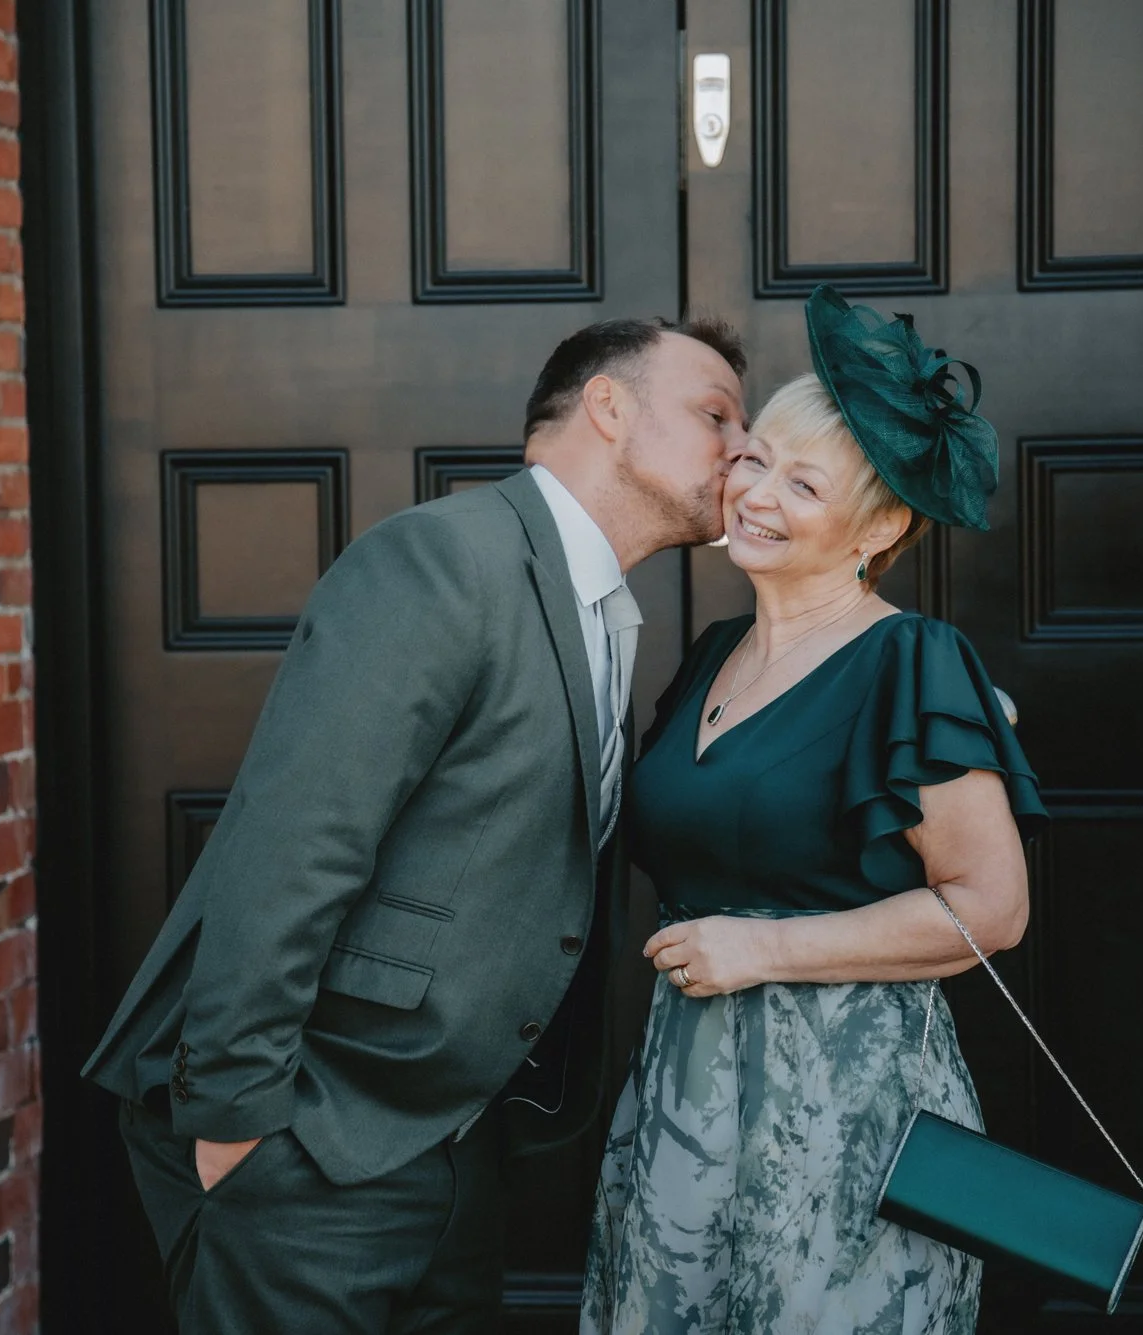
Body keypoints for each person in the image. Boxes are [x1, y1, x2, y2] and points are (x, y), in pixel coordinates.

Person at [83, 315, 748, 1332]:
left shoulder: (598, 610)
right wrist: (236, 1128)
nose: (739, 451)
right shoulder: (443, 560)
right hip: (308, 1139)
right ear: (607, 408)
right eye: (714, 416)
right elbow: (296, 844)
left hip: (454, 1139)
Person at [580, 286, 1049, 1334]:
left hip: (848, 1104)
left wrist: (760, 952)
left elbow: (991, 906)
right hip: (686, 1089)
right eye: (752, 458)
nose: (754, 492)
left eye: (803, 482)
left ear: (879, 525)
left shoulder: (912, 663)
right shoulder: (706, 660)